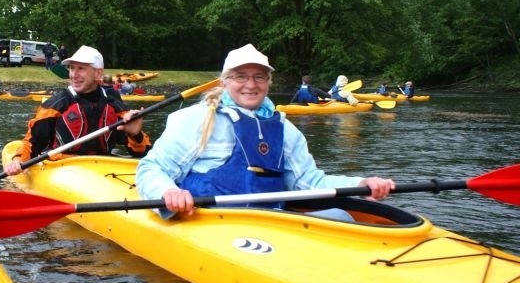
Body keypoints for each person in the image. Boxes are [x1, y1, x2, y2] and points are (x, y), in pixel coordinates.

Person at [135, 43, 395, 221]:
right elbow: (152, 169)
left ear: (268, 83)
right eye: (241, 76)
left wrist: (360, 185)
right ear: (225, 81)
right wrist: (168, 192)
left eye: (259, 77)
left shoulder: (285, 130)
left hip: (270, 227)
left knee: (339, 216)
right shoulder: (195, 120)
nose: (251, 84)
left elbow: (309, 183)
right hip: (209, 223)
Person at [3, 45, 151, 176]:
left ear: (98, 74)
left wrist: (136, 134)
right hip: (62, 167)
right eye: (72, 68)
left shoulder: (114, 106)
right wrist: (18, 160)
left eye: (81, 69)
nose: (74, 75)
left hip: (102, 168)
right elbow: (32, 143)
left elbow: (141, 152)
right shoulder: (56, 104)